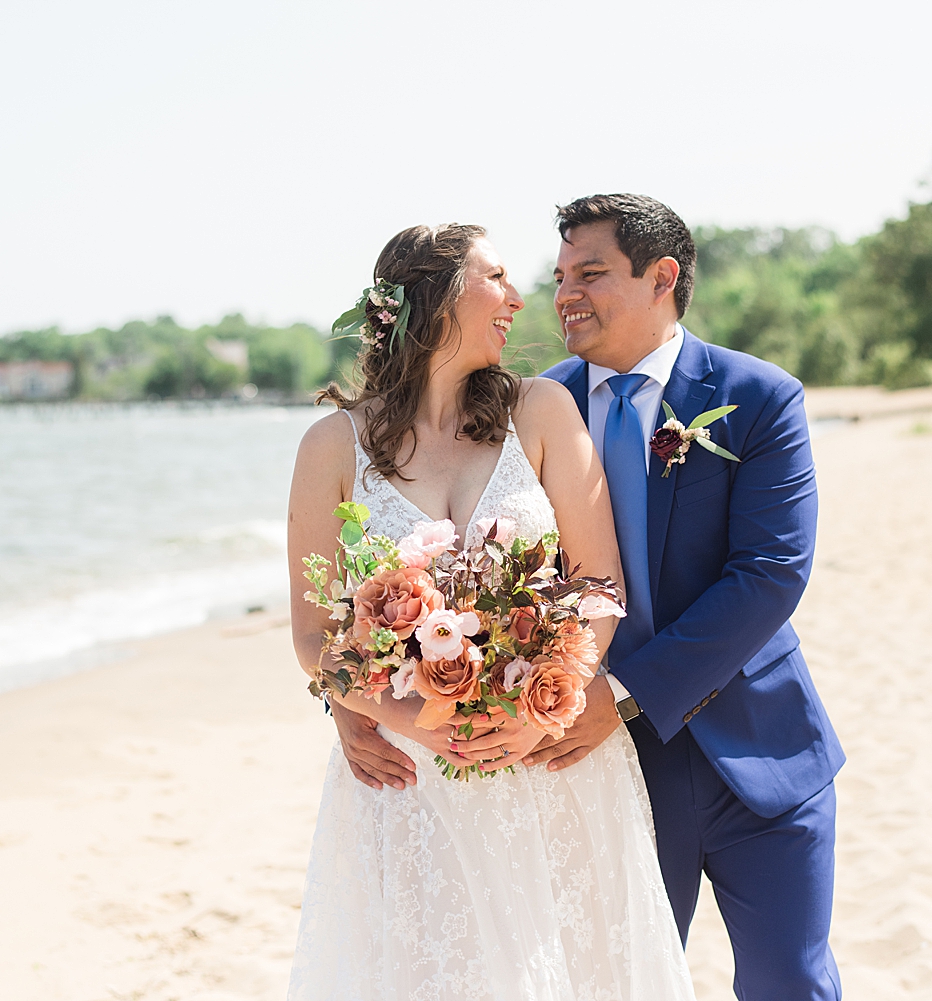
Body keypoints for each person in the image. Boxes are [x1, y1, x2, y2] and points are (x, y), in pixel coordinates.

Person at [286, 223, 695, 1000]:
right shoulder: (330, 446)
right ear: (436, 297)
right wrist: (408, 717)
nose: (519, 297)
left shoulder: (540, 411)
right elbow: (314, 637)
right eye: (498, 277)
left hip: (548, 758)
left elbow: (600, 583)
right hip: (416, 776)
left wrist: (549, 705)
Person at [535, 194, 844, 999]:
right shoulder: (537, 408)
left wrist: (627, 692)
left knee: (792, 983)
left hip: (763, 754)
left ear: (662, 276)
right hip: (613, 770)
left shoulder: (759, 396)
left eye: (591, 273)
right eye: (560, 274)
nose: (566, 292)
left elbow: (772, 573)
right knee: (623, 982)